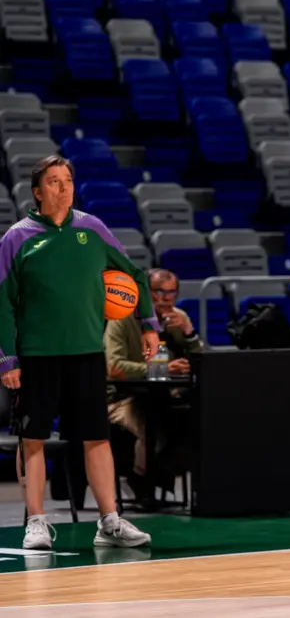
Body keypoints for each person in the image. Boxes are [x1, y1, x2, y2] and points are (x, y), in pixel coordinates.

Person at [0, 155, 156, 550]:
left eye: (68, 180)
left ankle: (109, 522)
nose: (63, 187)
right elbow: (2, 302)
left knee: (96, 437)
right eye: (53, 181)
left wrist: (150, 323)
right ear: (37, 192)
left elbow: (135, 275)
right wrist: (8, 359)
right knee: (32, 438)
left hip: (87, 353)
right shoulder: (17, 238)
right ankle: (36, 522)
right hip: (36, 356)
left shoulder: (92, 228)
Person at [105, 267, 203, 501]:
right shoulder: (122, 318)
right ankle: (143, 480)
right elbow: (114, 368)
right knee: (151, 425)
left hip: (164, 394)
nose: (166, 298)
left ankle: (155, 477)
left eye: (172, 292)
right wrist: (163, 369)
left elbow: (202, 362)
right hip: (120, 398)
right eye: (159, 291)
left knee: (195, 422)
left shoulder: (178, 318)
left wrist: (189, 334)